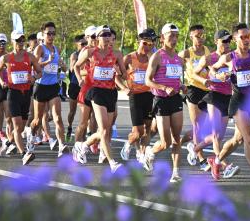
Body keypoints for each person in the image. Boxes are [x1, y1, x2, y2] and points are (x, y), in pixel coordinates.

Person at [208, 23, 250, 181]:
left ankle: (217, 160)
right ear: (235, 39)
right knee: (249, 138)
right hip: (237, 102)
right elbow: (212, 68)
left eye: (249, 36)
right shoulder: (228, 57)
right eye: (243, 37)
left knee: (237, 140)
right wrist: (219, 75)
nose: (247, 40)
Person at [71, 26, 126, 172]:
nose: (107, 37)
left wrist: (119, 72)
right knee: (103, 130)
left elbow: (125, 75)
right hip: (96, 92)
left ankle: (83, 145)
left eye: (109, 35)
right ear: (97, 37)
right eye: (104, 35)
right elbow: (76, 66)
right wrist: (79, 80)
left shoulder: (117, 54)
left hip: (111, 92)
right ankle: (112, 163)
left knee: (106, 131)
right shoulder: (90, 52)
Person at [191, 29, 237, 177]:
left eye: (229, 41)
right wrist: (205, 80)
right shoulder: (209, 58)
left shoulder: (232, 57)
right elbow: (193, 73)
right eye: (224, 41)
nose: (227, 43)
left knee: (219, 135)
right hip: (213, 96)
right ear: (216, 41)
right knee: (216, 133)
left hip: (227, 97)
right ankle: (224, 165)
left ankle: (195, 148)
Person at [144, 23, 186, 182]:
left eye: (176, 36)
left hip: (175, 99)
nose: (174, 40)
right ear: (162, 38)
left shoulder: (178, 58)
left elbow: (175, 78)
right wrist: (163, 87)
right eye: (171, 36)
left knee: (177, 138)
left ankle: (175, 173)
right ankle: (150, 152)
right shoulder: (157, 56)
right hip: (161, 100)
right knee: (166, 142)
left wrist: (181, 86)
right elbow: (147, 81)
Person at [0, 30, 43, 165]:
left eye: (23, 40)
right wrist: (1, 81)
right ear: (12, 41)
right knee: (17, 126)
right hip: (13, 93)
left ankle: (8, 142)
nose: (21, 43)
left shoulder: (30, 57)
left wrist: (34, 77)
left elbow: (40, 72)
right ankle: (25, 154)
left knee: (21, 128)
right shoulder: (6, 58)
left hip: (26, 94)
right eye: (18, 40)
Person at [119, 28, 157, 165]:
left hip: (149, 95)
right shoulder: (129, 58)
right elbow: (116, 76)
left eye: (150, 44)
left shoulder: (153, 59)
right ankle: (128, 144)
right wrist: (124, 88)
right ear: (139, 42)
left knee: (148, 129)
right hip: (135, 96)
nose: (147, 47)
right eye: (144, 43)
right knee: (138, 132)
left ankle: (141, 152)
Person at [30, 21, 69, 157]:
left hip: (53, 87)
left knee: (57, 118)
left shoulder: (56, 49)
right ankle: (31, 137)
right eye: (49, 33)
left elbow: (61, 67)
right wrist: (47, 61)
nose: (51, 36)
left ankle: (61, 145)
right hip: (40, 87)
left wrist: (63, 66)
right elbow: (34, 65)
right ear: (43, 34)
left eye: (53, 33)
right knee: (37, 119)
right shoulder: (40, 49)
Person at [180, 24, 211, 170]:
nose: (201, 38)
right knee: (197, 125)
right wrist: (180, 84)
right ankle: (201, 159)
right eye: (198, 35)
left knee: (202, 127)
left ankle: (181, 143)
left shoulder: (206, 50)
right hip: (193, 89)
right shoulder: (186, 53)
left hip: (206, 90)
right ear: (191, 36)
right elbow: (173, 65)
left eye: (202, 35)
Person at [66, 34, 86, 141]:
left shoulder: (89, 54)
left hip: (84, 86)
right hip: (74, 85)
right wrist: (78, 62)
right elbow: (72, 69)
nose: (84, 46)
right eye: (82, 44)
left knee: (85, 111)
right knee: (72, 111)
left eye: (85, 44)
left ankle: (82, 135)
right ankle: (69, 127)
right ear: (77, 45)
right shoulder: (74, 55)